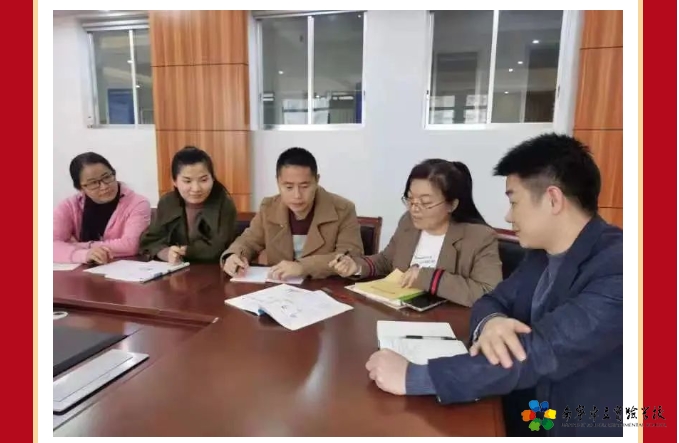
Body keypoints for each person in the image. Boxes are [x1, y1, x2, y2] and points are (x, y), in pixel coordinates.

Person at [364, 134, 623, 437]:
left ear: (553, 199)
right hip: (522, 403)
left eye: (514, 201)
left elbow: (539, 352)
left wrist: (414, 377)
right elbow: (492, 300)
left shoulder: (621, 268)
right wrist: (492, 322)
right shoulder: (541, 254)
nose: (508, 215)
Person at [331, 159, 501, 307]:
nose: (414, 209)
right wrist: (357, 266)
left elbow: (489, 292)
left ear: (452, 204)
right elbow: (386, 261)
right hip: (398, 315)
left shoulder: (479, 237)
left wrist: (428, 278)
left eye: (425, 202)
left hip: (445, 322)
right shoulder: (408, 223)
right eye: (410, 199)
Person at [221, 147, 363, 280]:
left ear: (317, 181)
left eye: (304, 186)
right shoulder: (269, 208)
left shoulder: (343, 209)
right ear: (278, 182)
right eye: (288, 187)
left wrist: (303, 267)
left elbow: (350, 257)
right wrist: (233, 256)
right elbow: (248, 241)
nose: (297, 195)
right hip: (279, 289)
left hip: (325, 288)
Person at [139, 146, 237, 264]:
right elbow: (150, 241)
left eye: (203, 180)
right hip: (174, 270)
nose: (196, 188)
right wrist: (166, 253)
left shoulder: (224, 205)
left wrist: (185, 251)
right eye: (187, 181)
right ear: (175, 181)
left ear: (212, 179)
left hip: (213, 269)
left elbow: (221, 247)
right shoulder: (167, 203)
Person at [53, 152, 151, 264]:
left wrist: (77, 246)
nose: (104, 186)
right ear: (80, 188)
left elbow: (131, 245)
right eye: (93, 183)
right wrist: (84, 254)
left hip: (123, 269)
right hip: (84, 269)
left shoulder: (138, 203)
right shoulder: (69, 206)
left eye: (107, 177)